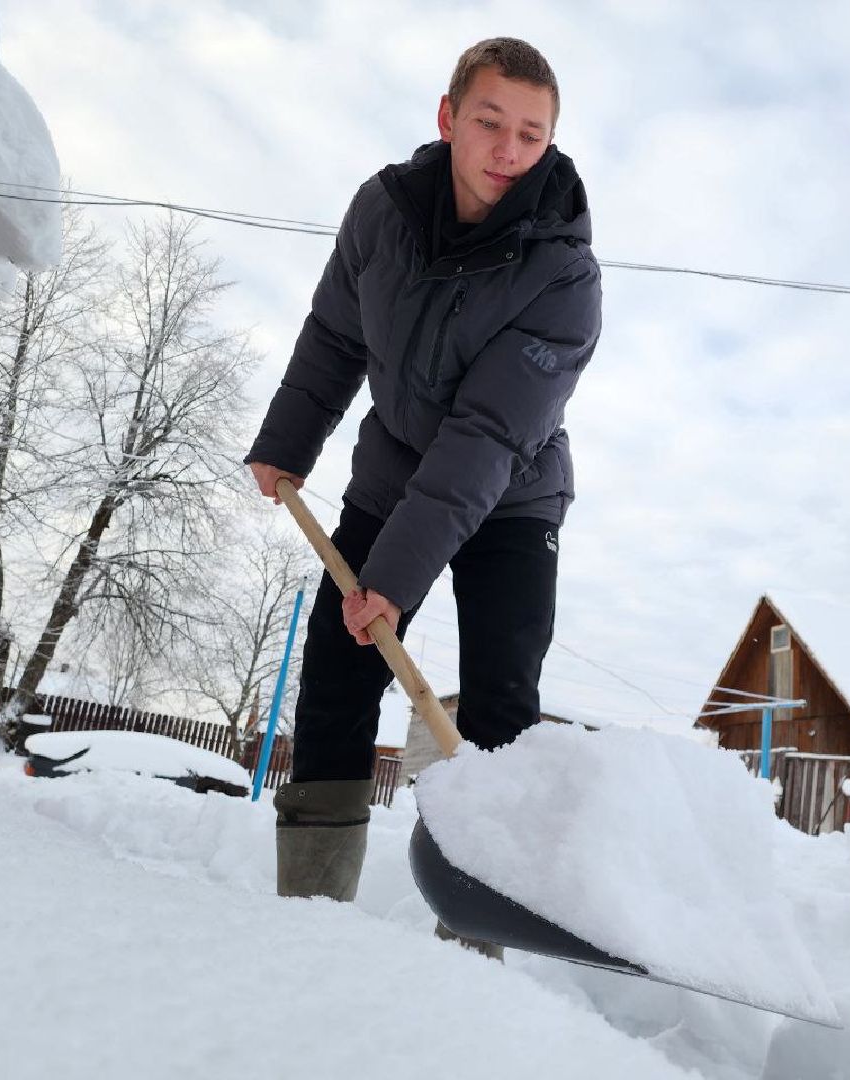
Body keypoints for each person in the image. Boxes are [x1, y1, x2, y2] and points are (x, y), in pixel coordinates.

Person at [245, 38, 601, 926]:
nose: (508, 151)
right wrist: (288, 440)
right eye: (490, 123)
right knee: (337, 671)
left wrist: (392, 583)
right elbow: (335, 332)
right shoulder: (384, 212)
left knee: (501, 704)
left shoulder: (564, 274)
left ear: (550, 144)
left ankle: (476, 931)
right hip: (392, 473)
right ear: (448, 119)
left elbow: (485, 438)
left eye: (531, 134)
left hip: (512, 496)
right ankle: (310, 914)